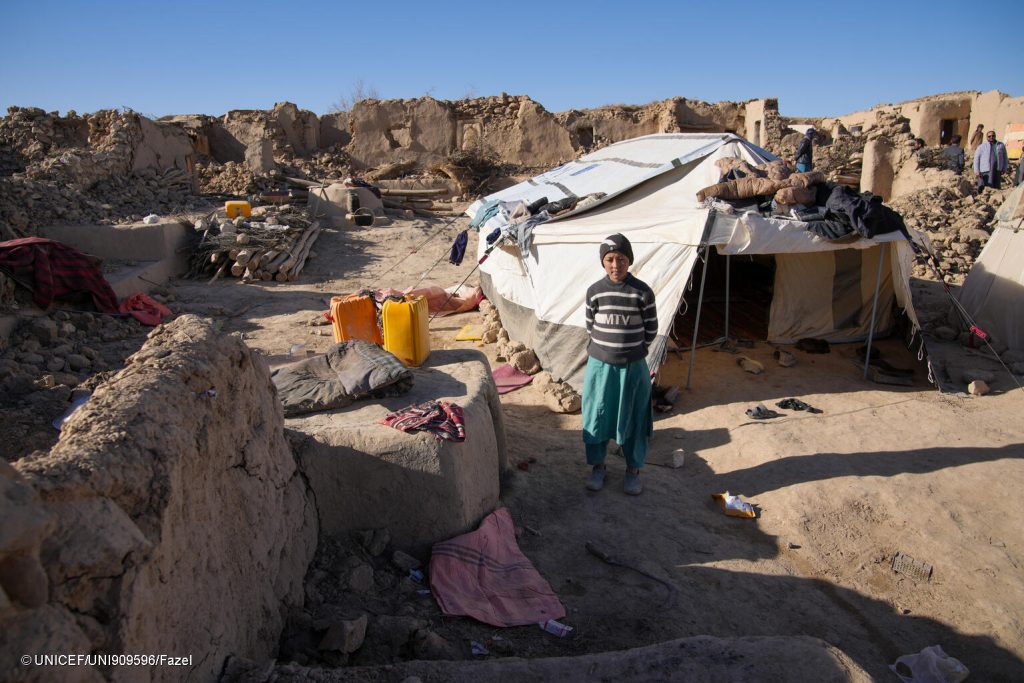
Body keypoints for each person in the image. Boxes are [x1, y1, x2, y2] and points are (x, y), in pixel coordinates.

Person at [582, 234, 657, 496]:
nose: (616, 265)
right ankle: (598, 467)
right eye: (610, 259)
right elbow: (590, 326)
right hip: (600, 367)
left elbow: (651, 329)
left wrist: (632, 350)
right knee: (597, 415)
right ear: (603, 262)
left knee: (635, 417)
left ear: (630, 260)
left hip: (633, 367)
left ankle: (633, 471)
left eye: (622, 259)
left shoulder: (642, 291)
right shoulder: (595, 291)